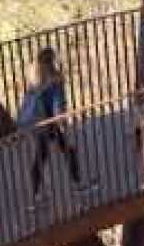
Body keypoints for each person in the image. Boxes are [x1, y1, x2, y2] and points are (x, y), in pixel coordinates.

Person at [21, 47, 94, 208]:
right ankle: (78, 185)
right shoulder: (55, 80)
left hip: (38, 124)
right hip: (52, 124)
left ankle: (34, 196)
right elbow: (57, 107)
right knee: (69, 150)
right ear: (53, 61)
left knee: (41, 157)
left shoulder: (35, 79)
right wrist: (63, 126)